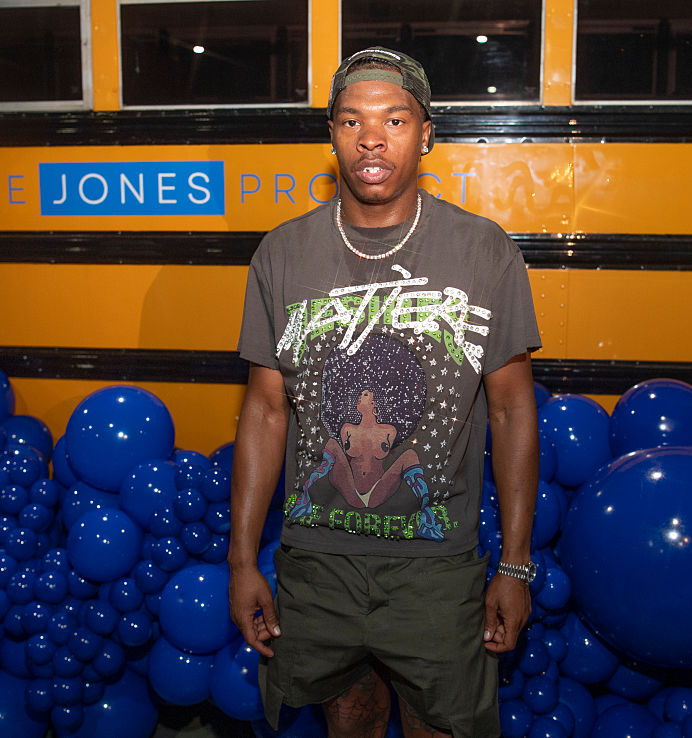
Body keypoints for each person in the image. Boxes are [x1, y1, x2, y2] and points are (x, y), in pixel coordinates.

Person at [229, 47, 541, 737]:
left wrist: (516, 566)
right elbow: (265, 410)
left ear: (425, 134)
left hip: (436, 569)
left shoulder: (483, 250)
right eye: (352, 121)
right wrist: (242, 559)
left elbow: (513, 408)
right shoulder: (281, 253)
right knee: (351, 720)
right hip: (319, 566)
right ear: (332, 134)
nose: (372, 138)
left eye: (395, 120)